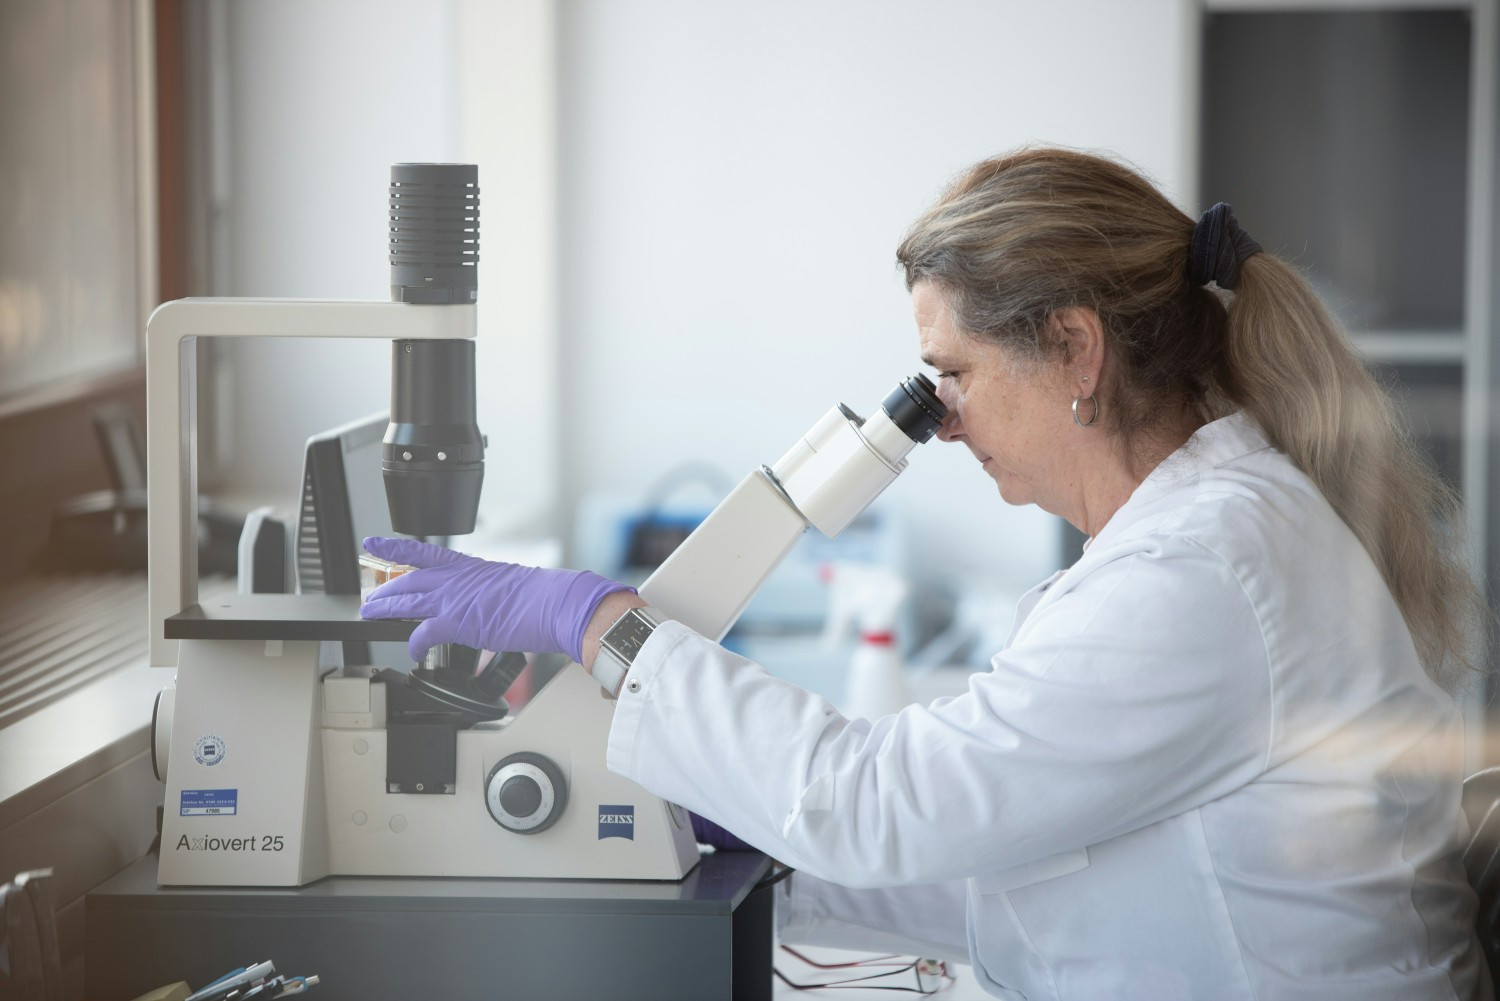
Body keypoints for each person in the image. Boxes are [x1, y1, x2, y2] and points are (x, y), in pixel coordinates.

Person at [361, 148, 1491, 1000]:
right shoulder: (1209, 532)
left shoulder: (1202, 568)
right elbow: (1038, 851)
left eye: (952, 371)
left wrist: (600, 618)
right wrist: (765, 849)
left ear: (1076, 351)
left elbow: (879, 804)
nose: (940, 421)